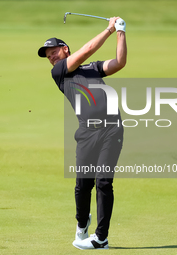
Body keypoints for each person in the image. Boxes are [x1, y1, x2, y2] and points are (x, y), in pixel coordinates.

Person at [37, 17, 127, 249]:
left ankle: (101, 237)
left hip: (112, 129)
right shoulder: (60, 72)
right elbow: (85, 50)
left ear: (64, 49)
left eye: (53, 52)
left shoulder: (92, 68)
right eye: (48, 57)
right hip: (87, 134)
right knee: (83, 185)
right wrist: (109, 28)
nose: (51, 58)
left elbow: (119, 63)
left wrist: (120, 32)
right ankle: (82, 223)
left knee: (104, 182)